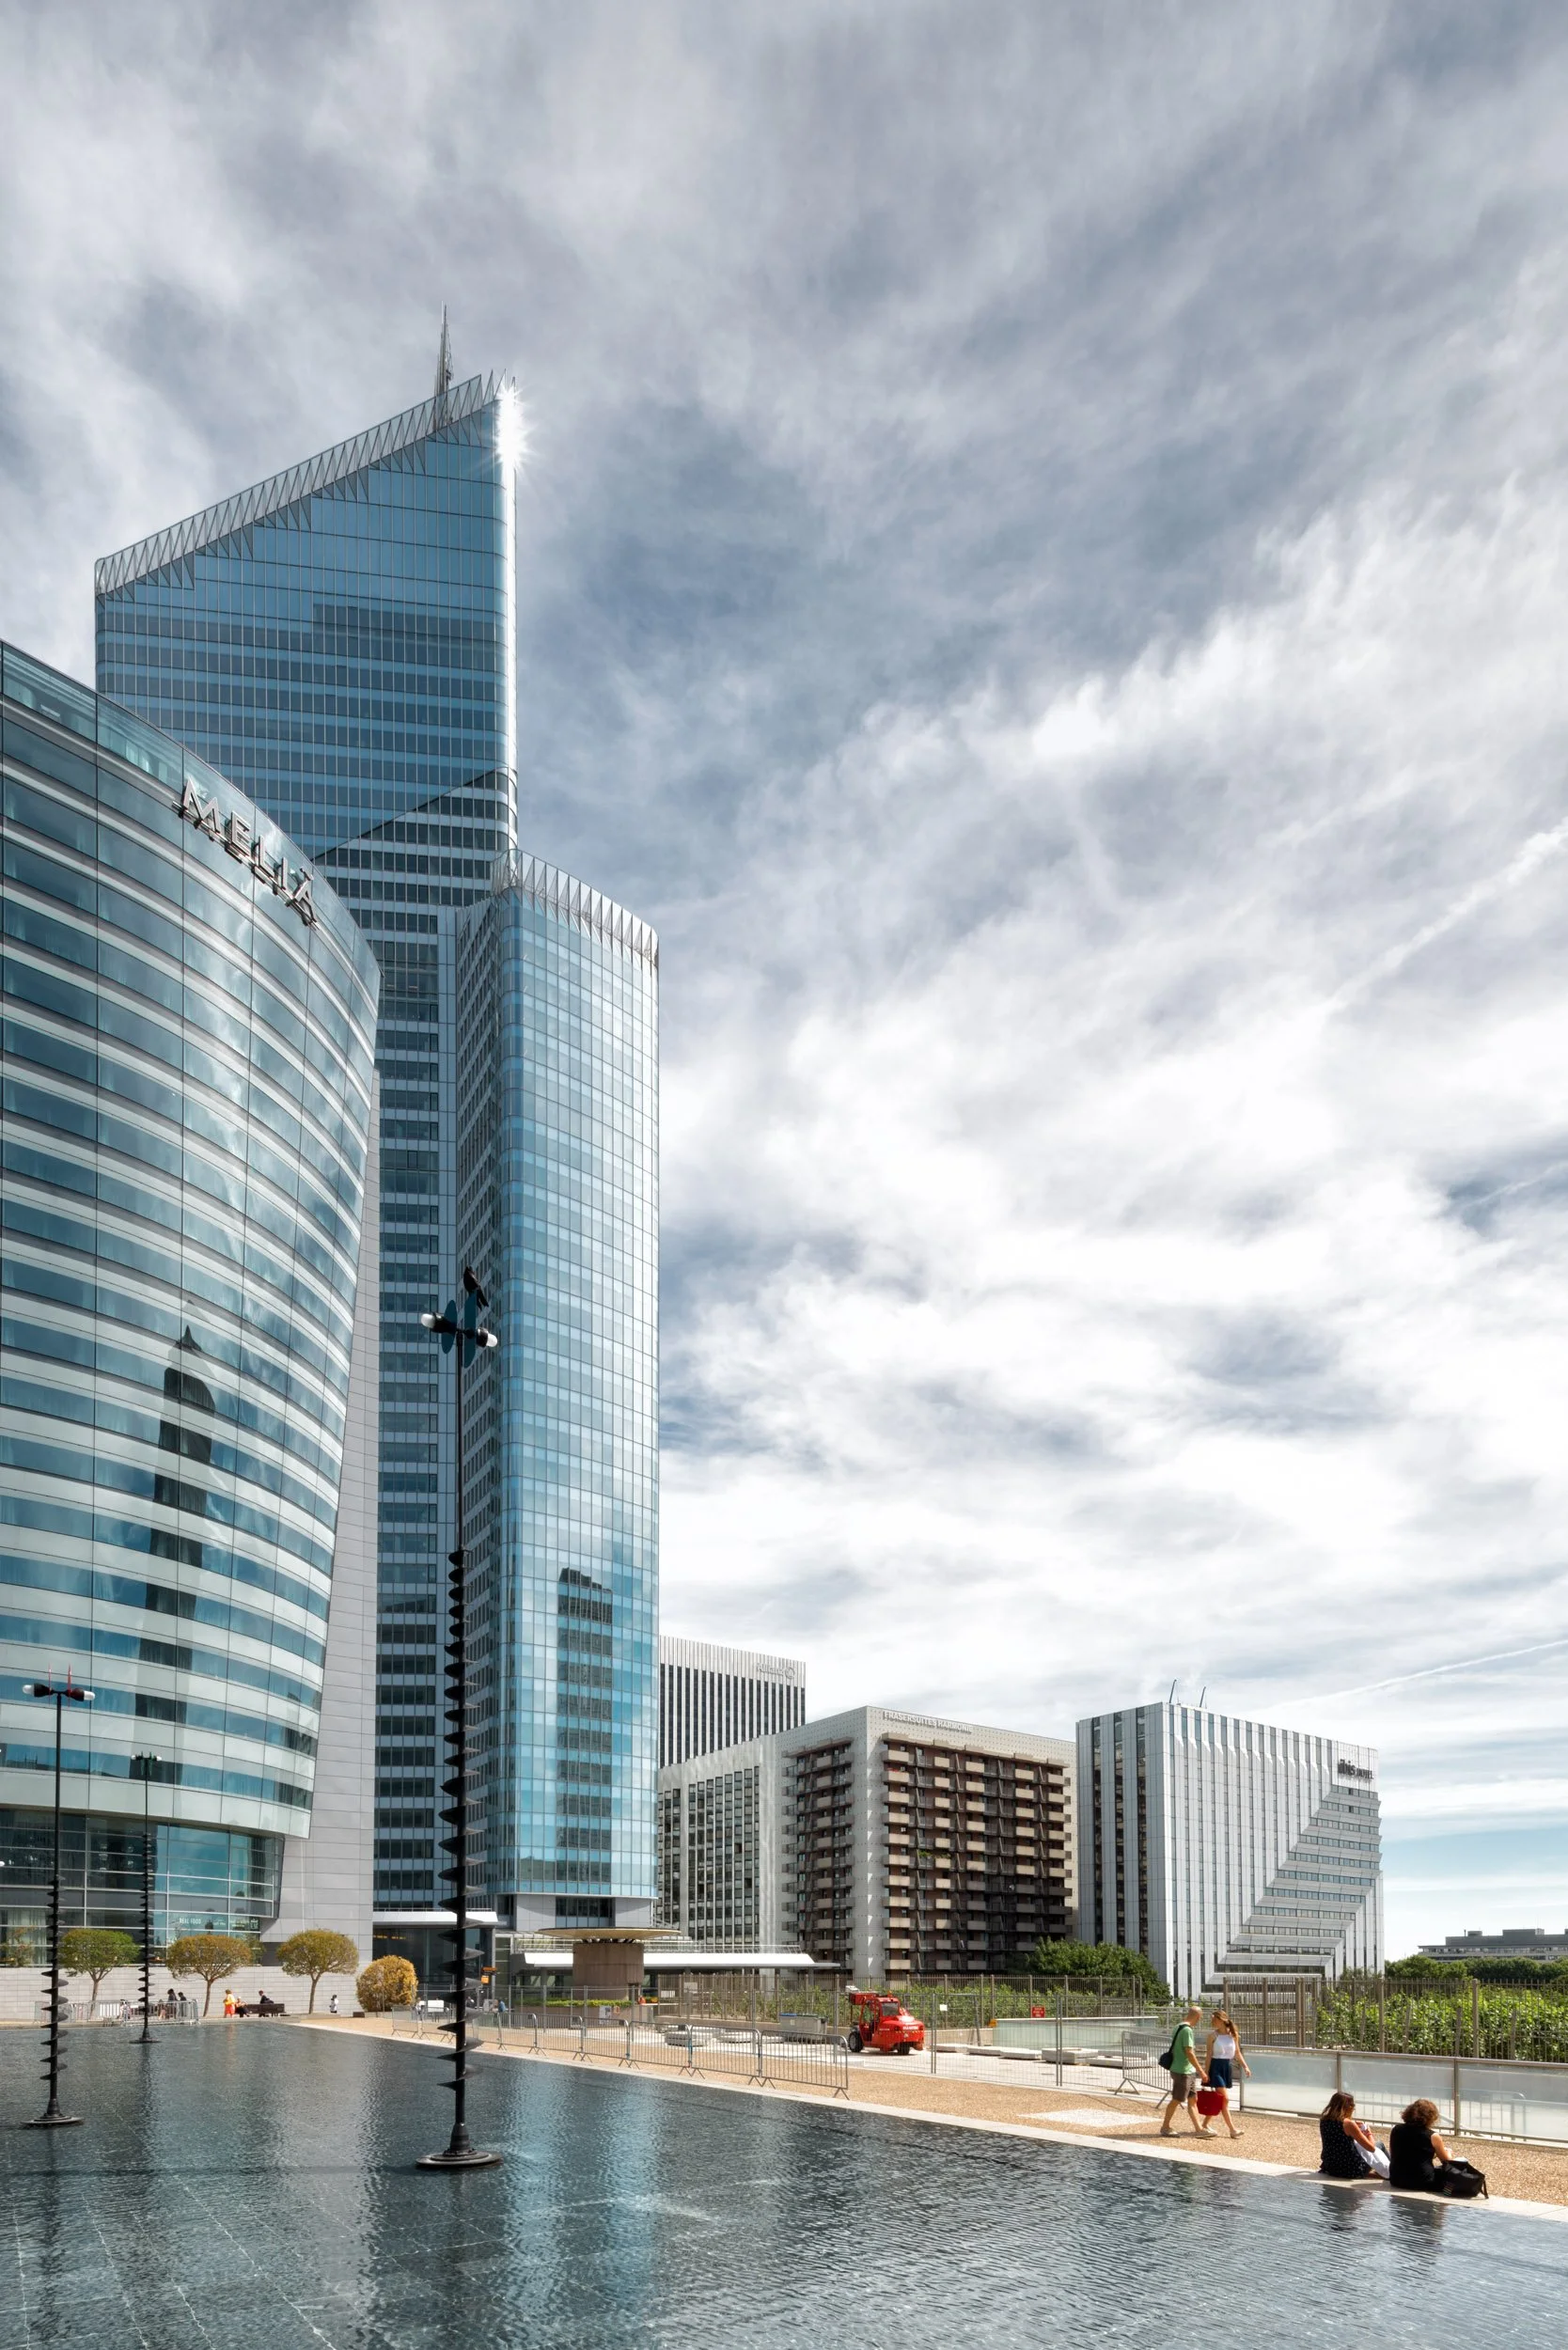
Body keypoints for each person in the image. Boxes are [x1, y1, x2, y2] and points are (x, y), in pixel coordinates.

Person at [1198, 2010, 1249, 2139]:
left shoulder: (1233, 2035)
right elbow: (1209, 2054)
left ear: (1221, 2019)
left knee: (1221, 2100)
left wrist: (1245, 2066)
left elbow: (1237, 2053)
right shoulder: (1212, 2036)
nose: (1212, 2021)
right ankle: (1232, 2130)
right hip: (1215, 2067)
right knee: (1225, 2099)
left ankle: (1204, 2124)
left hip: (1227, 2066)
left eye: (1214, 2019)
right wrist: (1206, 2072)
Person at [1159, 2005, 1209, 2136]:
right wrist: (1201, 2071)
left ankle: (1199, 2129)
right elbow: (1189, 2052)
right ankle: (1165, 2127)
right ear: (1198, 2017)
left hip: (1185, 2069)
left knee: (1193, 2100)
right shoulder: (1187, 2030)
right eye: (1200, 2018)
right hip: (1183, 2071)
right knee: (1177, 2099)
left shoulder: (1178, 2026)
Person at [1319, 2090, 1389, 2179]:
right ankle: (1395, 2171)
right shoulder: (1348, 2124)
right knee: (1380, 2145)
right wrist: (1368, 2133)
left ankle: (1377, 2173)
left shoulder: (1324, 2120)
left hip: (1331, 2167)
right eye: (1353, 2105)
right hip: (1351, 2169)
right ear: (1347, 2107)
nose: (1354, 2108)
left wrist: (1354, 2125)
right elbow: (1371, 2148)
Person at [1388, 2099, 1453, 2194]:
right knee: (1452, 2178)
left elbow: (1395, 2153)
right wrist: (1449, 2152)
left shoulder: (1396, 2129)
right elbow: (1447, 2162)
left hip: (1396, 2180)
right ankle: (1447, 2197)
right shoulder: (1433, 2136)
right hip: (1422, 2182)